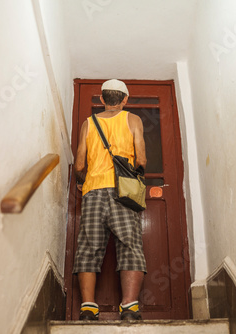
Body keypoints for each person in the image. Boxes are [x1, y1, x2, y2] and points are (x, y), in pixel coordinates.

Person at [73, 79, 147, 321]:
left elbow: (80, 164)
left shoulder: (88, 123)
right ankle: (130, 308)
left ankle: (88, 308)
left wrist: (84, 179)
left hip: (93, 190)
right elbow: (141, 161)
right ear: (125, 100)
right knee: (130, 246)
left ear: (102, 99)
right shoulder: (133, 120)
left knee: (88, 248)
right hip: (123, 192)